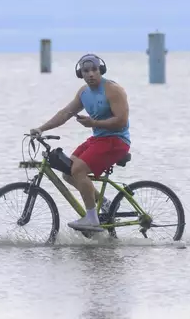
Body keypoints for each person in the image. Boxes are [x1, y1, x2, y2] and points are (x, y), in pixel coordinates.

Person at [30, 53, 131, 232]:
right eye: (86, 71)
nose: (91, 74)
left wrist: (94, 123)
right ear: (81, 74)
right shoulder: (84, 93)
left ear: (101, 70)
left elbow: (121, 120)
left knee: (78, 169)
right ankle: (104, 204)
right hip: (99, 139)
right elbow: (65, 113)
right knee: (68, 172)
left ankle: (92, 219)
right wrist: (41, 129)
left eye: (94, 70)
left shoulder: (113, 90)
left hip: (117, 140)